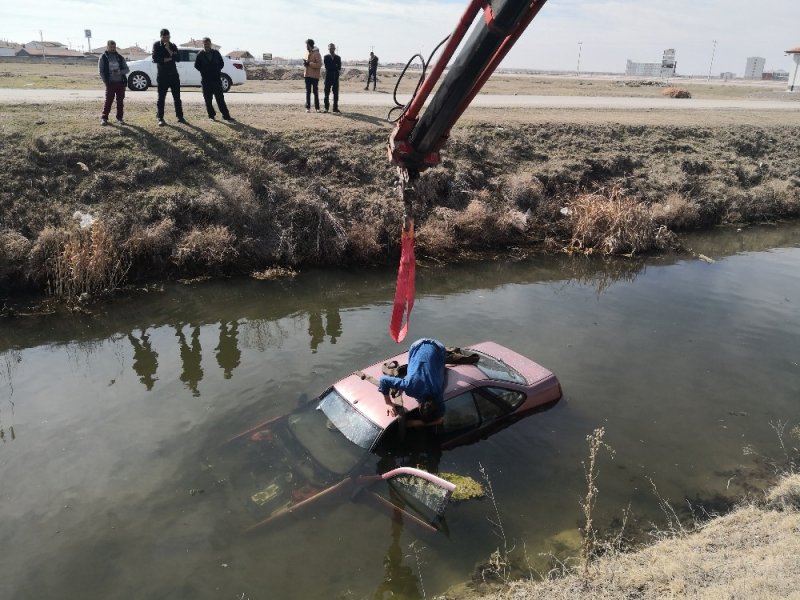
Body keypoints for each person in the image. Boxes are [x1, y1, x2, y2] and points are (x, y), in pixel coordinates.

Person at [378, 338, 447, 426]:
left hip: (438, 347)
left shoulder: (438, 393)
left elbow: (440, 419)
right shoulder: (410, 386)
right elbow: (383, 380)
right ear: (420, 406)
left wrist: (419, 423)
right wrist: (388, 403)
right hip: (419, 346)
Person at [194, 37, 234, 121]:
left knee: (220, 99)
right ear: (203, 44)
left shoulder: (216, 53)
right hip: (206, 80)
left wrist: (216, 70)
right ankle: (211, 116)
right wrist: (203, 71)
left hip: (216, 79)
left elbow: (221, 63)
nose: (206, 45)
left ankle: (226, 116)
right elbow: (196, 65)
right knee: (208, 100)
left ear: (210, 44)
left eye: (208, 44)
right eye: (205, 44)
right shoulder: (200, 54)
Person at [152, 28, 184, 126]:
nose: (166, 39)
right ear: (161, 37)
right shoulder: (156, 45)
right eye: (164, 37)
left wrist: (168, 49)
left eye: (168, 37)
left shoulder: (173, 45)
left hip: (174, 75)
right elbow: (155, 59)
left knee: (177, 98)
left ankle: (180, 116)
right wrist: (170, 58)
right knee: (161, 98)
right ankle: (160, 117)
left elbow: (178, 59)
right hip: (162, 76)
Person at [98, 40, 129, 125]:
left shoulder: (120, 57)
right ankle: (104, 118)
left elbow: (127, 69)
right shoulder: (103, 57)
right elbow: (101, 71)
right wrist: (106, 81)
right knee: (108, 101)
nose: (113, 49)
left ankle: (119, 118)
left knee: (120, 102)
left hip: (120, 83)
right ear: (107, 47)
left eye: (114, 47)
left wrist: (119, 72)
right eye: (111, 47)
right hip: (110, 83)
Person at [303, 38, 322, 113]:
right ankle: (307, 108)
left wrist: (310, 63)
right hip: (307, 75)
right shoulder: (306, 53)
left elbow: (319, 64)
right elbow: (307, 63)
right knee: (308, 92)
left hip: (314, 76)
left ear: (310, 45)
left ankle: (317, 108)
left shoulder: (317, 53)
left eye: (307, 45)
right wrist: (305, 64)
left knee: (315, 92)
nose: (306, 47)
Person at [323, 43, 341, 113]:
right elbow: (327, 67)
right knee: (326, 94)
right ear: (328, 49)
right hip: (328, 77)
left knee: (336, 94)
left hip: (335, 78)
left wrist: (333, 66)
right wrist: (335, 66)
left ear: (335, 49)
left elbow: (339, 67)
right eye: (330, 48)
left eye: (333, 48)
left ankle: (335, 108)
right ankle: (326, 108)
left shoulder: (338, 57)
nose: (332, 49)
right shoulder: (326, 57)